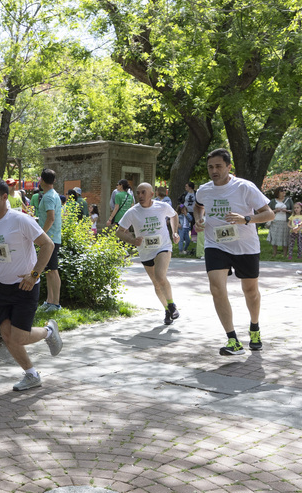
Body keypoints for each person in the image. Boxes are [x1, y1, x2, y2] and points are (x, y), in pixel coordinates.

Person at [0, 177, 62, 391]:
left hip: (25, 285)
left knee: (18, 336)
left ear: (3, 197)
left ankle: (48, 331)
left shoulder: (20, 220)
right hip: (2, 287)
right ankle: (31, 374)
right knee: (7, 334)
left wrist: (34, 275)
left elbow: (47, 245)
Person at [193, 149, 275, 355]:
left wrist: (246, 219)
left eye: (218, 166)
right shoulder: (204, 190)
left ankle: (254, 327)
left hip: (245, 246)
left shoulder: (245, 187)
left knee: (250, 291)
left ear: (229, 167)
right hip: (216, 244)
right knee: (217, 288)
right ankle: (232, 340)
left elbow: (269, 214)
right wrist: (198, 219)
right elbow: (198, 206)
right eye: (210, 167)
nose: (214, 171)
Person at [117, 182, 181, 324]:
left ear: (152, 194)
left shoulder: (162, 206)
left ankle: (172, 305)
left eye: (143, 192)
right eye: (138, 193)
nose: (140, 195)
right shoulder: (133, 212)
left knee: (160, 276)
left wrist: (175, 232)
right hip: (145, 252)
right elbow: (119, 232)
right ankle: (166, 310)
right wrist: (133, 240)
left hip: (162, 247)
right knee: (156, 283)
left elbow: (174, 215)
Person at [35, 169, 65, 313]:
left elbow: (51, 218)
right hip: (51, 238)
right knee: (48, 271)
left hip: (50, 239)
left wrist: (41, 234)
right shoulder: (53, 195)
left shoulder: (48, 197)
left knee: (52, 271)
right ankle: (49, 301)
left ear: (42, 180)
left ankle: (55, 304)